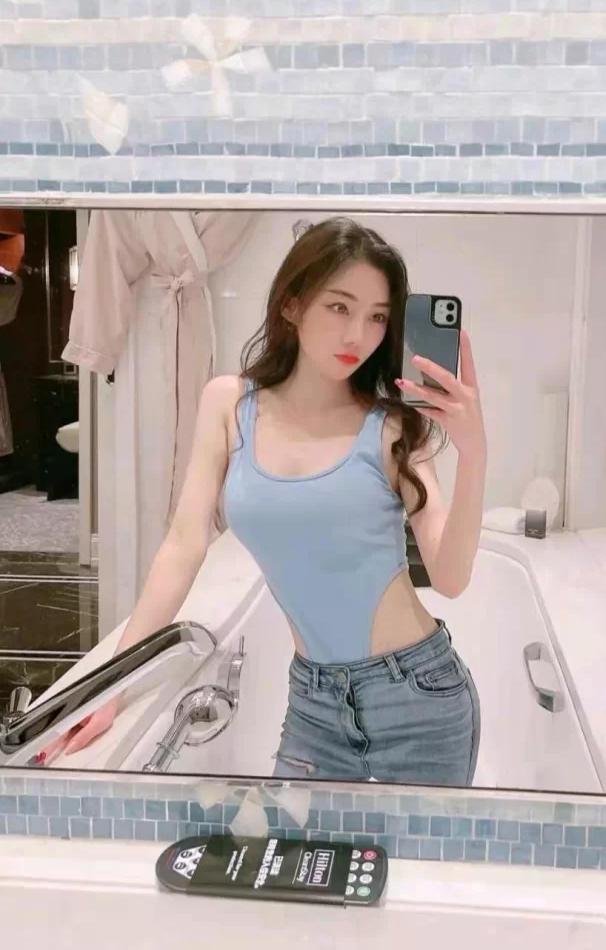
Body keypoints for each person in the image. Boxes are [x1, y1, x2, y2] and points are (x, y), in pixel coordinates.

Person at [42, 217, 487, 786]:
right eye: (339, 307)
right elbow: (183, 546)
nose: (358, 335)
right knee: (288, 843)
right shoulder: (229, 404)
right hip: (315, 702)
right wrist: (113, 687)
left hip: (418, 697)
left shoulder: (393, 427)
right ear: (292, 305)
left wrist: (474, 453)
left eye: (378, 317)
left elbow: (450, 578)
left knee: (410, 854)